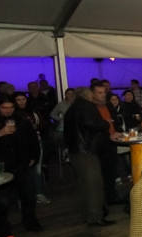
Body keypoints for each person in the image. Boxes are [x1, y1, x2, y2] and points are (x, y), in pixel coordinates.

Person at [0, 95, 42, 232]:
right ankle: (3, 228)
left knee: (28, 196)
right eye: (4, 108)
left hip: (22, 164)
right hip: (2, 167)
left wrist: (34, 157)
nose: (8, 111)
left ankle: (30, 222)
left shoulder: (22, 120)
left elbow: (33, 139)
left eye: (11, 107)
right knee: (3, 199)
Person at [64, 88, 116, 227]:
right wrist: (106, 123)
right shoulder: (86, 106)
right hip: (86, 150)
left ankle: (86, 214)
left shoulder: (72, 108)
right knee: (94, 185)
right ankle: (95, 217)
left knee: (84, 184)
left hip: (75, 150)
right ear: (87, 94)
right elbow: (91, 124)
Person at [50, 88, 75, 163]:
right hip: (64, 125)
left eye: (72, 94)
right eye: (68, 93)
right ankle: (67, 152)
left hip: (76, 125)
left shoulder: (77, 104)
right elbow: (52, 114)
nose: (70, 95)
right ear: (65, 94)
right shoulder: (61, 104)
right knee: (58, 137)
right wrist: (60, 119)